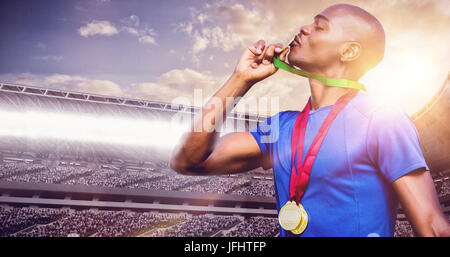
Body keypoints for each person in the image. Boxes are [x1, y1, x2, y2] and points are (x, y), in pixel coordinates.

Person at [170, 3, 450, 236]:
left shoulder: (382, 119)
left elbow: (432, 226)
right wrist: (239, 80)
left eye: (320, 26)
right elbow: (190, 161)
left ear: (349, 51)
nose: (304, 28)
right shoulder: (280, 127)